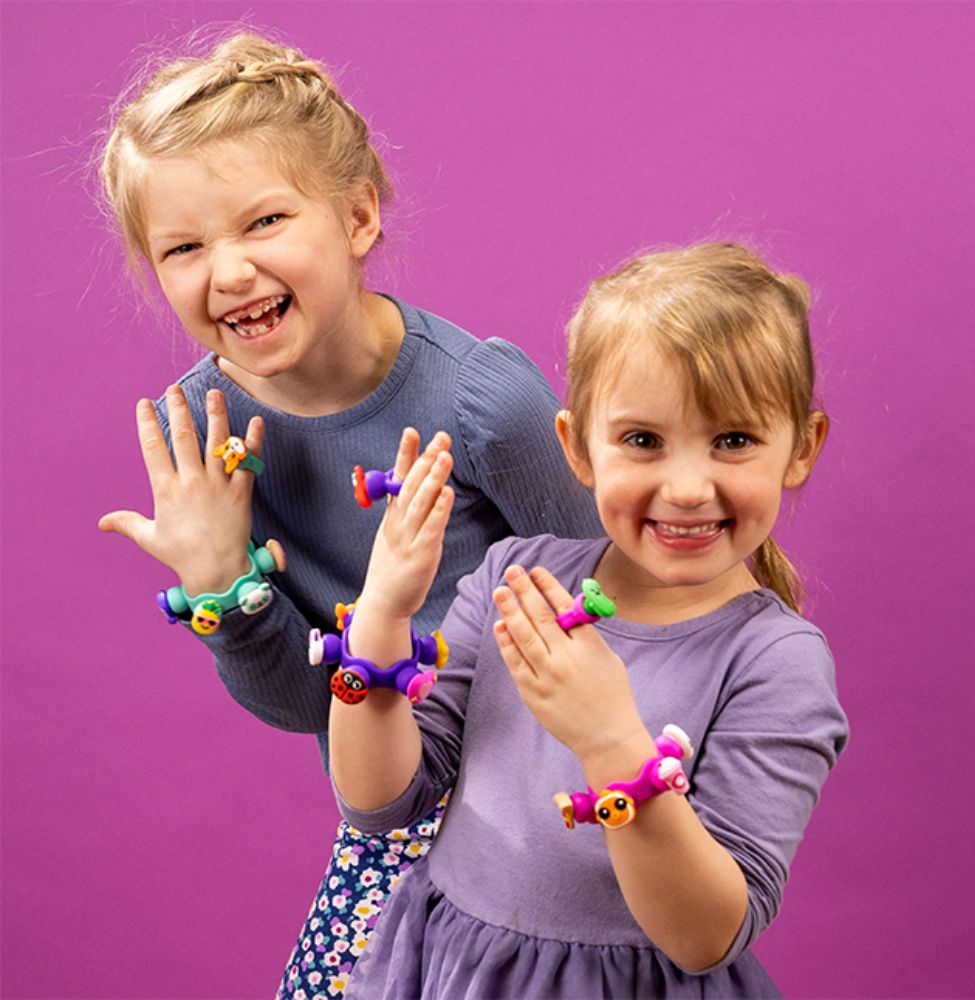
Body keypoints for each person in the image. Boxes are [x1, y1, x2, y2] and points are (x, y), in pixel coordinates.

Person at [95, 30, 601, 998]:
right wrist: (221, 586)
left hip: (552, 817)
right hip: (390, 824)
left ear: (359, 215)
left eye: (264, 221)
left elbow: (618, 609)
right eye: (184, 247)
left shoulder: (482, 401)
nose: (228, 272)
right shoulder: (204, 442)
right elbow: (302, 703)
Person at [329, 242, 850, 998]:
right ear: (578, 448)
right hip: (449, 972)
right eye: (643, 441)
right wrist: (382, 611)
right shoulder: (514, 581)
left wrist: (610, 740)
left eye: (733, 440)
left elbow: (706, 936)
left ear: (801, 448)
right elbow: (380, 801)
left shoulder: (775, 660)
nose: (686, 487)